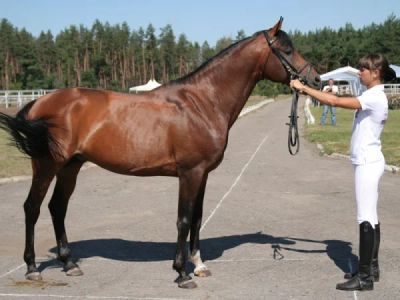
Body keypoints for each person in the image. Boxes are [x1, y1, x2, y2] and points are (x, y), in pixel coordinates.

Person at [290, 53, 396, 291]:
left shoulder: (375, 96)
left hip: (368, 162)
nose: (360, 72)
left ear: (376, 72)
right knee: (371, 217)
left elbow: (336, 102)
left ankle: (365, 278)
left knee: (366, 218)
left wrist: (304, 88)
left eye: (363, 69)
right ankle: (372, 269)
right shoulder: (372, 95)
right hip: (369, 160)